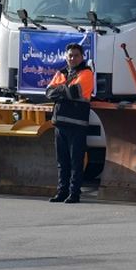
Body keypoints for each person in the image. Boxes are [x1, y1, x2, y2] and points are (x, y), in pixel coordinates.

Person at [47, 42, 93, 204]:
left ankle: (74, 194)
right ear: (66, 57)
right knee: (62, 162)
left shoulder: (86, 73)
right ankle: (62, 192)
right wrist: (64, 89)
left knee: (76, 162)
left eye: (76, 55)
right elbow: (49, 92)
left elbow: (75, 92)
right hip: (60, 123)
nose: (73, 58)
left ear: (82, 57)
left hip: (77, 124)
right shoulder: (62, 72)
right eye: (70, 55)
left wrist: (61, 89)